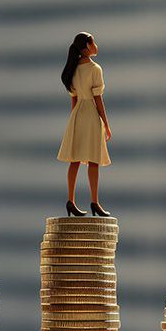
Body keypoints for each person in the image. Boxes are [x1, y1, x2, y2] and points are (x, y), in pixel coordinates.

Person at [57, 32, 112, 217]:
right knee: (93, 160)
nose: (96, 45)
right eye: (93, 42)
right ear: (87, 46)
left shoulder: (73, 69)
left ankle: (70, 200)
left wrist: (73, 119)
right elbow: (98, 99)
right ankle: (95, 202)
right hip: (90, 114)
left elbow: (74, 99)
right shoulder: (95, 69)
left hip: (78, 114)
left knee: (75, 160)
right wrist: (106, 122)